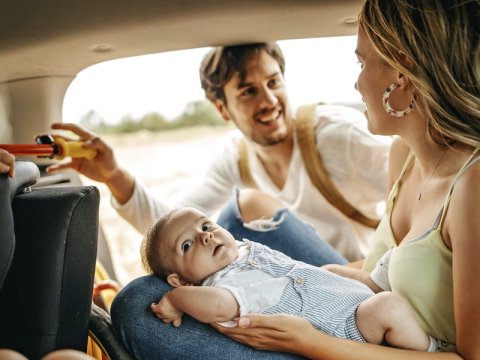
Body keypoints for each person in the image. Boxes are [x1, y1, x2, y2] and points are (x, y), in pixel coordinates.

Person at [212, 1, 480, 359]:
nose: (356, 83)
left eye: (362, 63)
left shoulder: (472, 188)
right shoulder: (403, 156)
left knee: (140, 310)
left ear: (402, 72)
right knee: (236, 215)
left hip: (365, 344)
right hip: (360, 320)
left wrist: (311, 342)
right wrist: (327, 278)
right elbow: (383, 274)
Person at [47, 41, 389, 264]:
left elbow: (421, 194)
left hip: (352, 280)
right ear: (222, 109)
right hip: (293, 287)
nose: (268, 100)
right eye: (249, 92)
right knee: (149, 295)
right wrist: (113, 176)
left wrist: (375, 266)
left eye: (273, 83)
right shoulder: (236, 157)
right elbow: (173, 225)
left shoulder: (333, 135)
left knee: (242, 209)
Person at [143, 206, 447, 353]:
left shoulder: (242, 251)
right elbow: (221, 308)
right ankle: (431, 350)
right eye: (187, 245)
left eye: (205, 225)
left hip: (342, 297)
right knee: (388, 308)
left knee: (331, 268)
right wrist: (175, 300)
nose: (206, 236)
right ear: (181, 282)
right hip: (346, 327)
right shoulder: (219, 287)